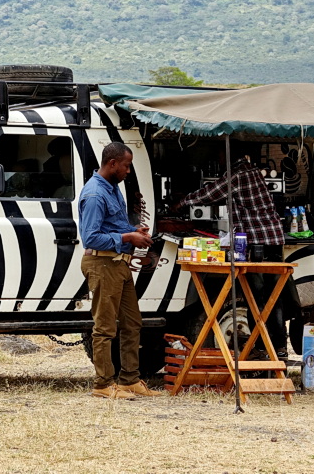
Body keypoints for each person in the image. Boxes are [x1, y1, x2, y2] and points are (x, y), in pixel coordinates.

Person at [175, 153, 289, 359]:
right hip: (274, 238)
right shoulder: (253, 171)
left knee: (256, 297)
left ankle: (261, 347)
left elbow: (210, 193)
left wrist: (182, 201)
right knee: (275, 297)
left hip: (258, 242)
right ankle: (279, 347)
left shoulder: (236, 175)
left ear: (226, 156)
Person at [79, 142, 159, 399]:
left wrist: (134, 231)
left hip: (118, 264)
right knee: (105, 327)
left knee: (132, 322)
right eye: (126, 165)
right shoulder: (95, 194)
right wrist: (127, 238)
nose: (128, 171)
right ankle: (103, 385)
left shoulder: (112, 188)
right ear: (112, 163)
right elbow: (91, 238)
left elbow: (112, 226)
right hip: (103, 264)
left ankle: (129, 380)